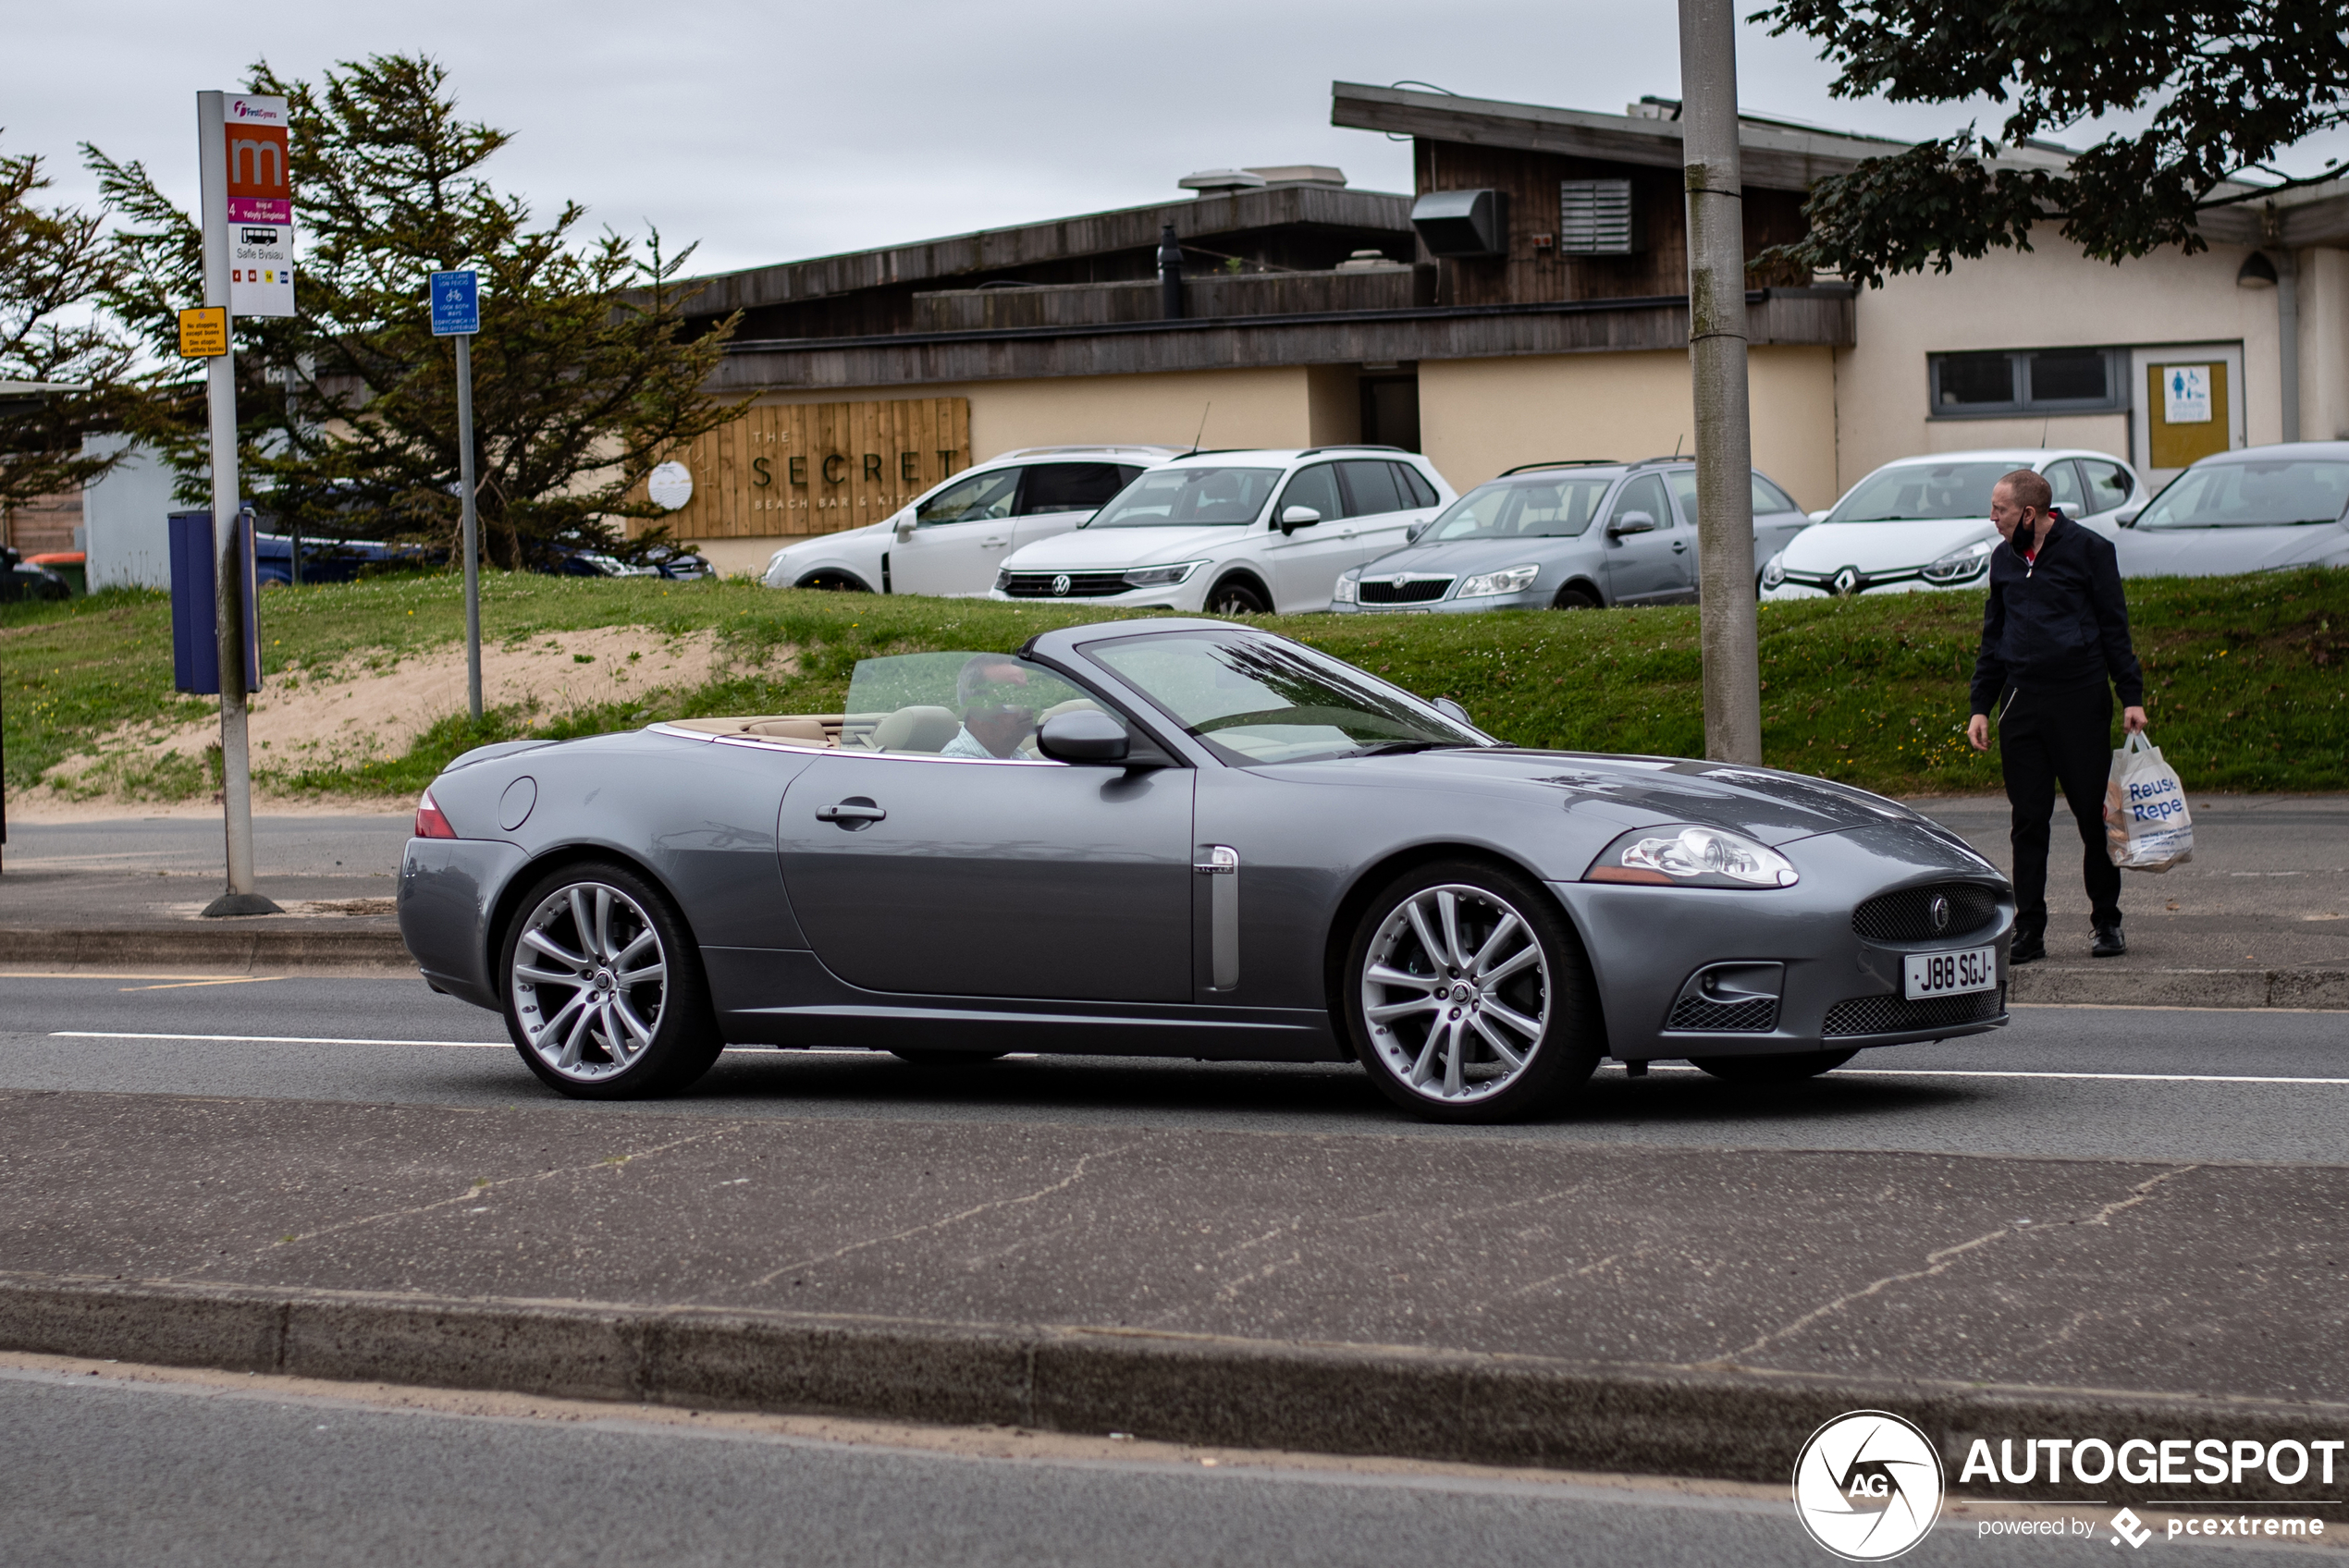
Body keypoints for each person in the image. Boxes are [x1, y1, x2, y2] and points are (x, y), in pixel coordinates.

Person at [1965, 469, 2147, 962]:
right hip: (2021, 704)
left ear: (2029, 514)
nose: (1993, 518)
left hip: (2080, 700)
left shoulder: (2090, 551)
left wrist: (2131, 695)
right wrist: (1981, 705)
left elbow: (2115, 626)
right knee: (2029, 820)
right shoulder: (2003, 560)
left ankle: (2107, 923)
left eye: (2000, 510)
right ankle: (2029, 930)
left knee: (2093, 816)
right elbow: (1993, 637)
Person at [940, 654, 1039, 759]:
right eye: (1012, 697)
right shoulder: (959, 766)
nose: (1028, 705)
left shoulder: (1017, 756)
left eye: (1028, 693)